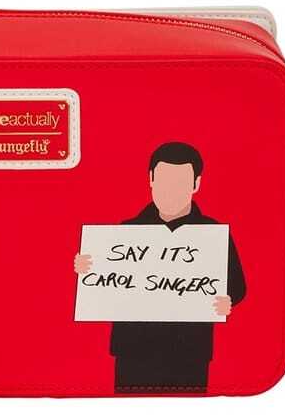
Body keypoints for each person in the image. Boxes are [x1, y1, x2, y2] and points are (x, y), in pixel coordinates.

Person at [74, 142, 246, 393]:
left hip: (190, 349)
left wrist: (227, 300)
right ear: (151, 180)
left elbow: (238, 286)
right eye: (164, 181)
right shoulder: (126, 232)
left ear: (196, 184)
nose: (170, 191)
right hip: (134, 349)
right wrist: (86, 269)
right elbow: (104, 286)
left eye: (180, 183)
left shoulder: (213, 234)